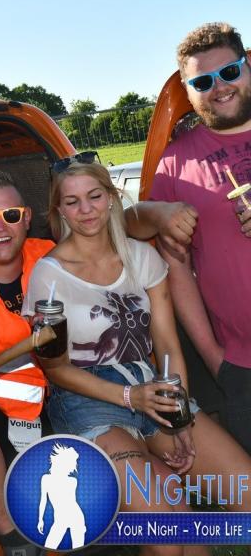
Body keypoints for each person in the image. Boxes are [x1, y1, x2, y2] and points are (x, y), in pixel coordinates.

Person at [0, 168, 193, 556]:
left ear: (27, 217)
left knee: (174, 520)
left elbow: (115, 221)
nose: (1, 227)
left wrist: (162, 214)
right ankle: (16, 537)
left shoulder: (54, 255)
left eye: (11, 215)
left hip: (78, 402)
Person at [23, 159, 251, 556]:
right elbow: (55, 369)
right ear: (59, 211)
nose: (86, 209)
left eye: (95, 196)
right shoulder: (49, 276)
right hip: (87, 400)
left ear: (111, 198)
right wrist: (131, 398)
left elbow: (167, 345)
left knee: (244, 496)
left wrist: (179, 416)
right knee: (167, 534)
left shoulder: (142, 257)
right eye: (72, 202)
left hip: (152, 389)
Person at [149, 22, 251, 454]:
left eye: (229, 72)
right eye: (202, 82)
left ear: (247, 67)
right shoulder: (174, 164)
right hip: (242, 367)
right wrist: (213, 356)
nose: (219, 87)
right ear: (188, 92)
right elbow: (174, 267)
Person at [36, 443, 85, 550]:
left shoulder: (73, 481)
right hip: (60, 519)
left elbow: (71, 502)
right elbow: (43, 500)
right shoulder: (46, 479)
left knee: (79, 550)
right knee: (49, 546)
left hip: (76, 517)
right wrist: (40, 519)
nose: (73, 466)